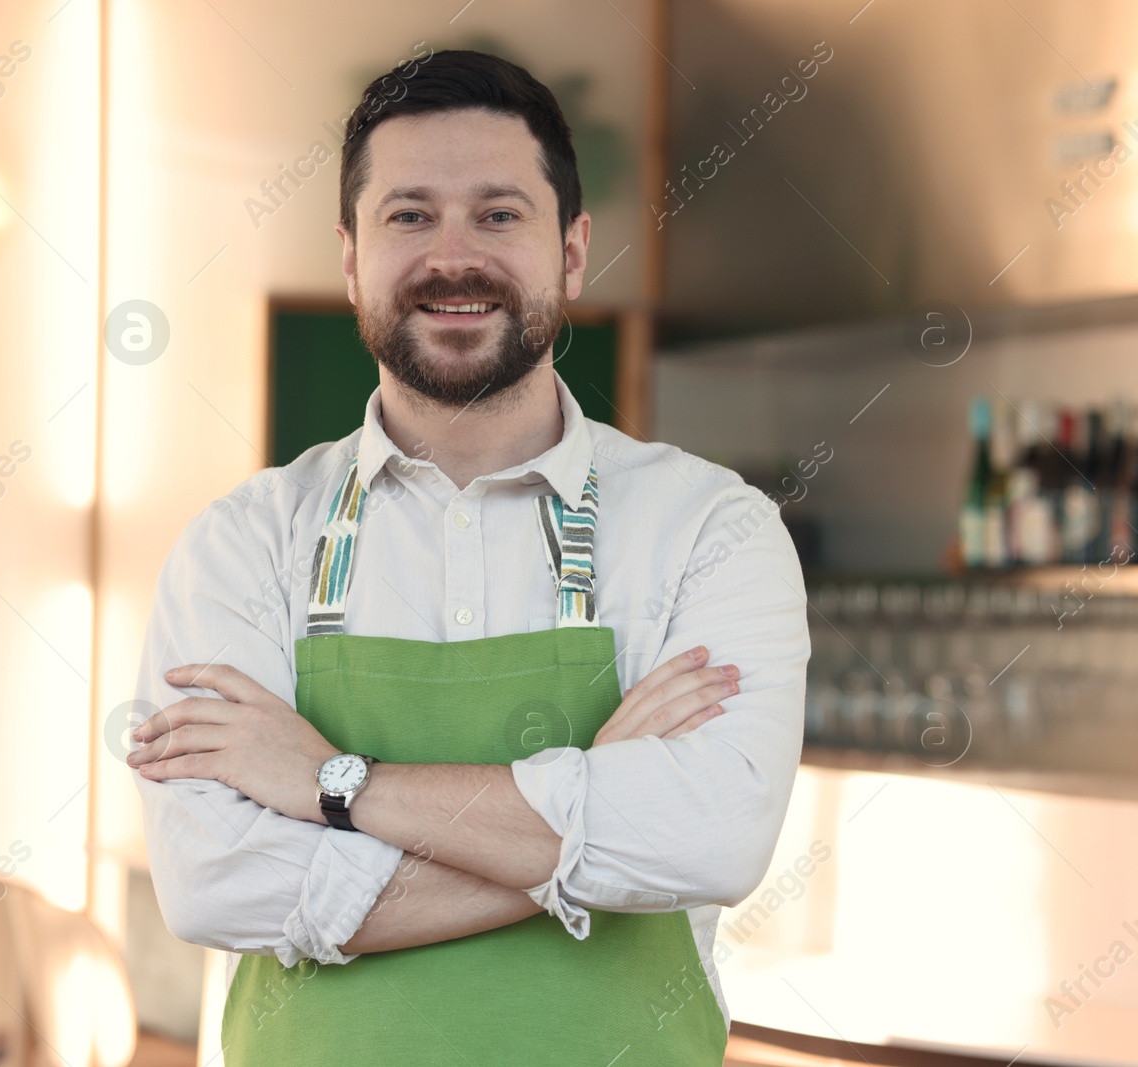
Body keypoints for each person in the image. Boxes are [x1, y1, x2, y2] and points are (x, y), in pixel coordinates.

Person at [126, 48, 810, 1066]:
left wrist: (332, 784)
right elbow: (215, 882)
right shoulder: (244, 543)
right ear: (352, 254)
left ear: (571, 250)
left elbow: (708, 840)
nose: (454, 256)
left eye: (498, 214)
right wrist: (597, 796)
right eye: (408, 215)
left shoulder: (711, 526)